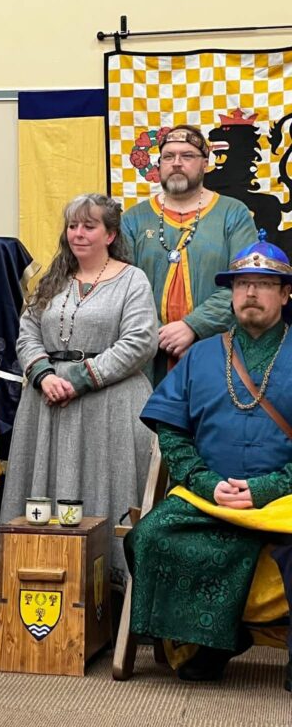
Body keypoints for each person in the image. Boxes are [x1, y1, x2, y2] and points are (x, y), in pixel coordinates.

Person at [125, 231, 292, 689]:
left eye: (263, 284)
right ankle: (212, 641)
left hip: (284, 499)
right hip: (209, 496)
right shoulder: (199, 356)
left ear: (285, 294)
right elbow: (172, 435)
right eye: (241, 284)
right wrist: (205, 482)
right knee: (148, 536)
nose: (251, 292)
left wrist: (266, 488)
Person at [1, 194, 157, 587]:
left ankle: (110, 588)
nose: (78, 234)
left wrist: (80, 379)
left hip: (110, 404)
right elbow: (27, 333)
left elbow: (139, 341)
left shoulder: (132, 280)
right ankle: (41, 575)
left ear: (110, 234)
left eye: (89, 226)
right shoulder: (52, 279)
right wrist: (43, 375)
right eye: (73, 226)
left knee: (105, 486)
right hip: (47, 402)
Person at [120, 124, 258, 384]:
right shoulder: (133, 219)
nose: (176, 163)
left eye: (187, 156)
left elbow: (245, 283)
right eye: (168, 156)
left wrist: (193, 326)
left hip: (217, 351)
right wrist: (160, 334)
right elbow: (121, 288)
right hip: (148, 357)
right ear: (159, 165)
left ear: (205, 164)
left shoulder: (233, 214)